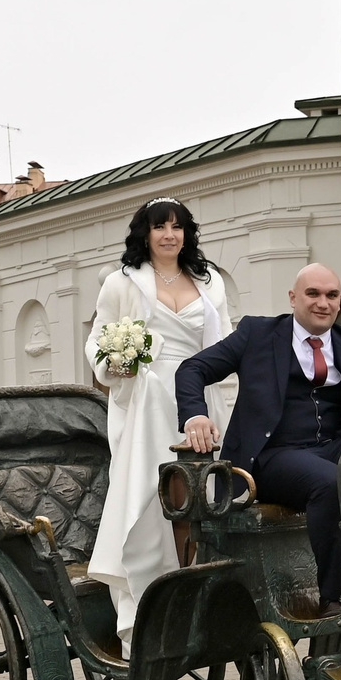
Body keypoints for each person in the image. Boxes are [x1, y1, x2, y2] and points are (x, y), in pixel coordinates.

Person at [176, 262, 341, 613]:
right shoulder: (257, 334)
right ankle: (334, 597)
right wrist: (195, 415)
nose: (324, 303)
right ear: (293, 298)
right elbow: (192, 368)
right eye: (313, 294)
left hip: (335, 447)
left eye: (332, 295)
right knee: (330, 483)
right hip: (271, 456)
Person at [87, 197, 233, 650]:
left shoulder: (210, 283)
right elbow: (98, 341)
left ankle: (200, 587)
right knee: (151, 494)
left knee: (205, 493)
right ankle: (145, 594)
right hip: (148, 399)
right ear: (145, 233)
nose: (169, 235)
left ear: (187, 233)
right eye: (160, 227)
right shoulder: (120, 282)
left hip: (198, 397)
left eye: (177, 227)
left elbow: (225, 342)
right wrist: (118, 365)